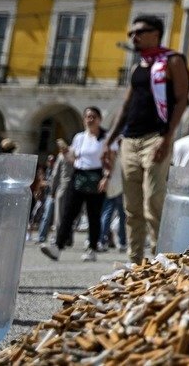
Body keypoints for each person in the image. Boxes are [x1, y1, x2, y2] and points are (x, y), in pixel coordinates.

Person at [105, 14, 189, 266]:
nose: (134, 37)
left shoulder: (173, 61)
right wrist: (108, 141)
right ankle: (135, 261)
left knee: (153, 198)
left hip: (156, 137)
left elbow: (182, 99)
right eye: (131, 33)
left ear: (156, 33)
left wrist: (167, 137)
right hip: (129, 140)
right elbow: (125, 105)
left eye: (139, 32)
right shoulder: (138, 67)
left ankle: (162, 256)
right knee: (131, 206)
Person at [42, 106, 110, 262]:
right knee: (68, 212)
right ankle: (57, 247)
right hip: (79, 175)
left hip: (97, 176)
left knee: (94, 214)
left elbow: (109, 159)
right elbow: (74, 159)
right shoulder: (80, 137)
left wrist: (106, 177)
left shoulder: (106, 137)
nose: (90, 119)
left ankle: (92, 248)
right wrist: (66, 153)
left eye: (93, 116)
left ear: (99, 119)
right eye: (87, 116)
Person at [34, 140, 70, 244]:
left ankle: (56, 237)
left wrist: (52, 190)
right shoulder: (70, 157)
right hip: (58, 192)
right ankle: (44, 237)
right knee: (53, 216)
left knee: (56, 216)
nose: (51, 162)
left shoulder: (62, 158)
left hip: (58, 191)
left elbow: (54, 178)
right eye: (49, 160)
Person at [98, 140, 126, 252]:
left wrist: (106, 178)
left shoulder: (114, 151)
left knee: (107, 214)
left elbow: (109, 168)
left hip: (113, 186)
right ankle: (122, 242)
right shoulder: (123, 153)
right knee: (121, 216)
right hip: (121, 186)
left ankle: (102, 240)